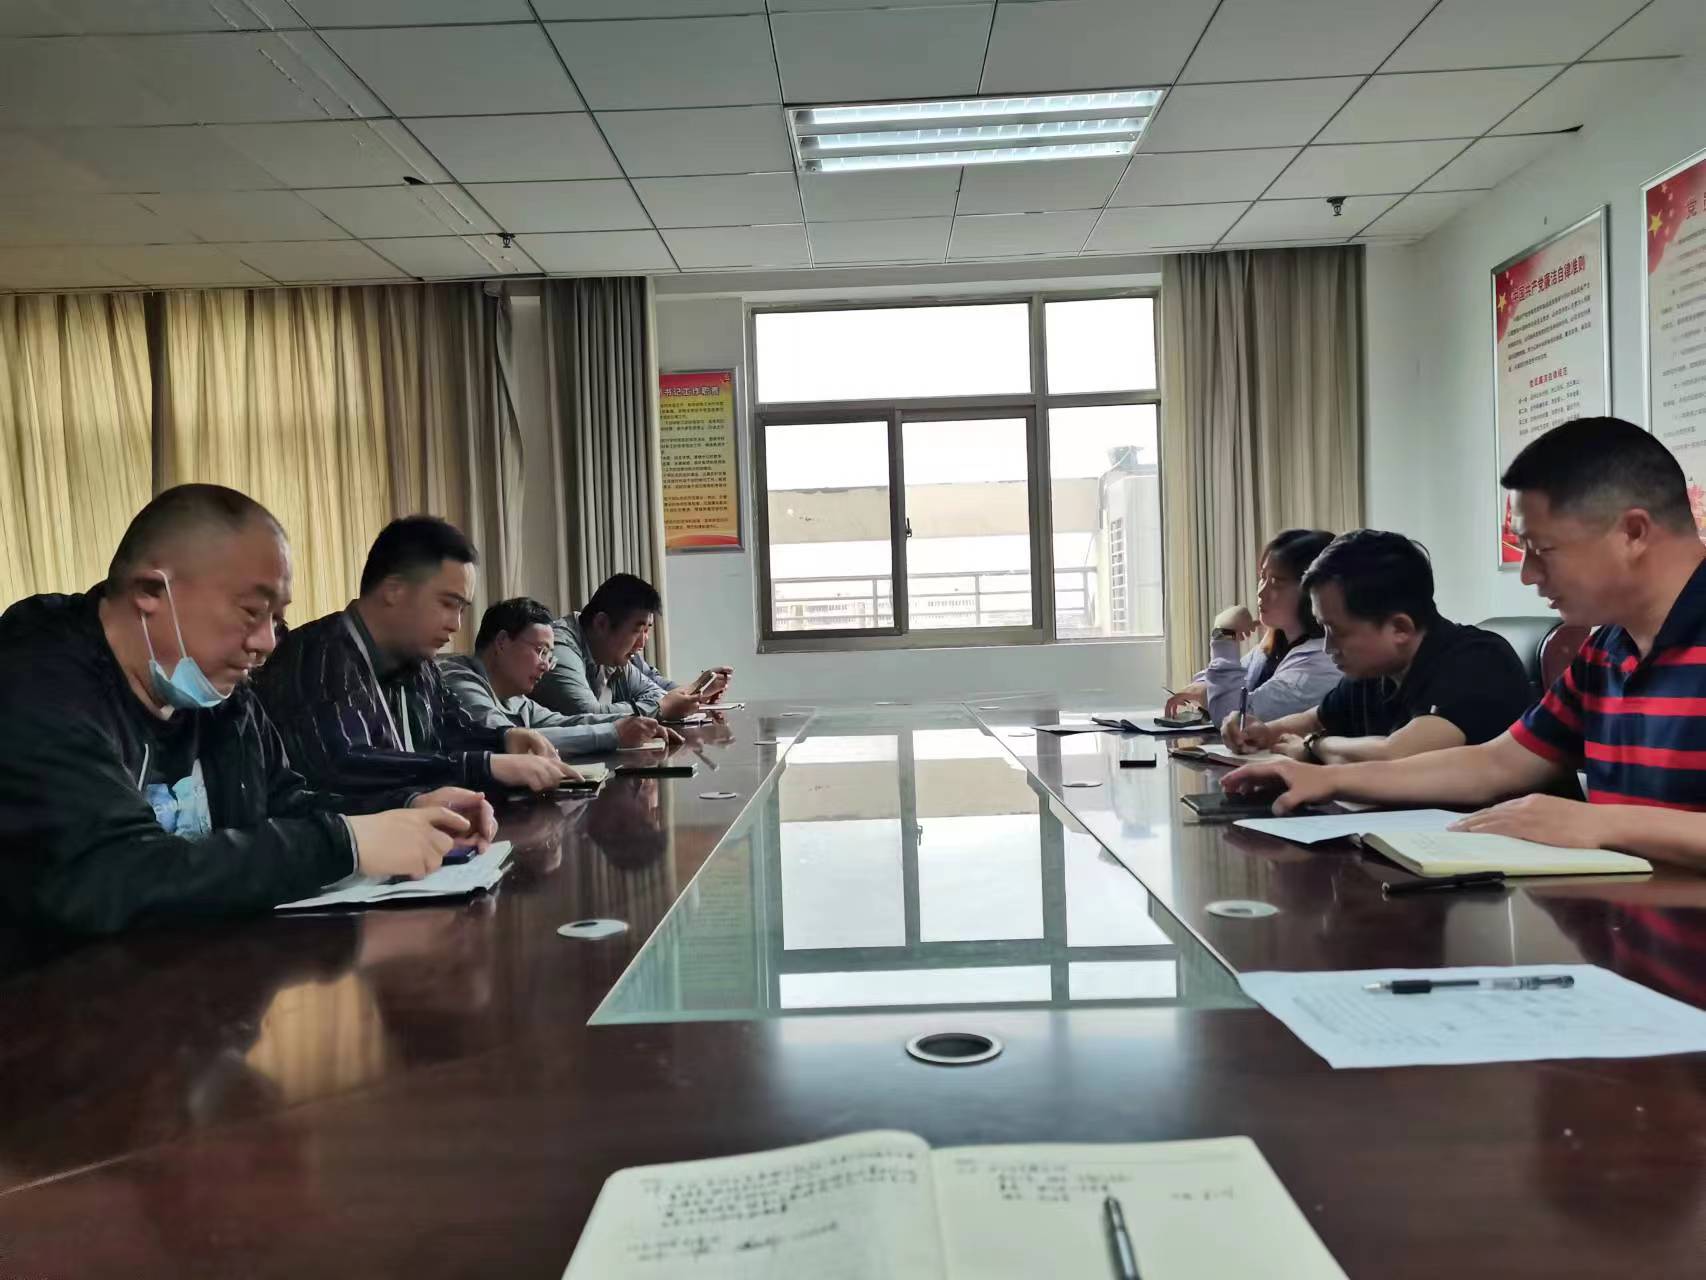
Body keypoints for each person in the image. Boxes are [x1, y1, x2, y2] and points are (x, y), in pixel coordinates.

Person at [0, 485, 497, 935]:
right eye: (251, 612)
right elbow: (114, 873)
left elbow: (284, 804)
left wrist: (406, 811)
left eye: (277, 618)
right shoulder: (36, 681)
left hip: (198, 979)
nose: (267, 642)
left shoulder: (219, 691)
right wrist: (344, 844)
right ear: (150, 592)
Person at [1225, 418, 1706, 870]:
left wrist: (1601, 823)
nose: (1528, 575)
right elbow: (1496, 763)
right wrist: (1326, 778)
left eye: (1542, 550)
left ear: (1633, 532)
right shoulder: (1606, 651)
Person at [255, 516, 574, 797]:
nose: (456, 624)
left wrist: (505, 739)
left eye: (462, 609)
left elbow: (453, 729)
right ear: (394, 590)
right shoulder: (318, 655)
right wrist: (485, 766)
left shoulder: (420, 664)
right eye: (448, 604)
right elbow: (347, 765)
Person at [1219, 529, 1532, 762]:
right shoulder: (1374, 669)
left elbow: (1397, 755)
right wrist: (1263, 732)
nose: (1328, 647)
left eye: (1337, 631)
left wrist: (1314, 746)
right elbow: (1316, 718)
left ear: (1400, 628)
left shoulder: (1479, 663)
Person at [440, 597, 678, 755]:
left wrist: (632, 723)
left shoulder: (514, 699)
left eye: (548, 655)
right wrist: (614, 734)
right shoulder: (459, 681)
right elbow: (511, 741)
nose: (546, 666)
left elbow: (563, 722)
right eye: (540, 651)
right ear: (502, 642)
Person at [1164, 529, 1340, 728]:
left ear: (1311, 592)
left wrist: (1223, 632)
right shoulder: (1274, 646)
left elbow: (1233, 718)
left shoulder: (1320, 663)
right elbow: (1212, 680)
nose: (1261, 592)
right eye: (1262, 577)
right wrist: (1208, 691)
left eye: (1275, 582)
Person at [532, 573, 717, 721]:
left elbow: (656, 693)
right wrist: (660, 708)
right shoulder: (559, 649)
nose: (642, 643)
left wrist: (664, 704)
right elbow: (588, 716)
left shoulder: (609, 653)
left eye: (647, 630)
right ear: (602, 624)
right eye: (637, 630)